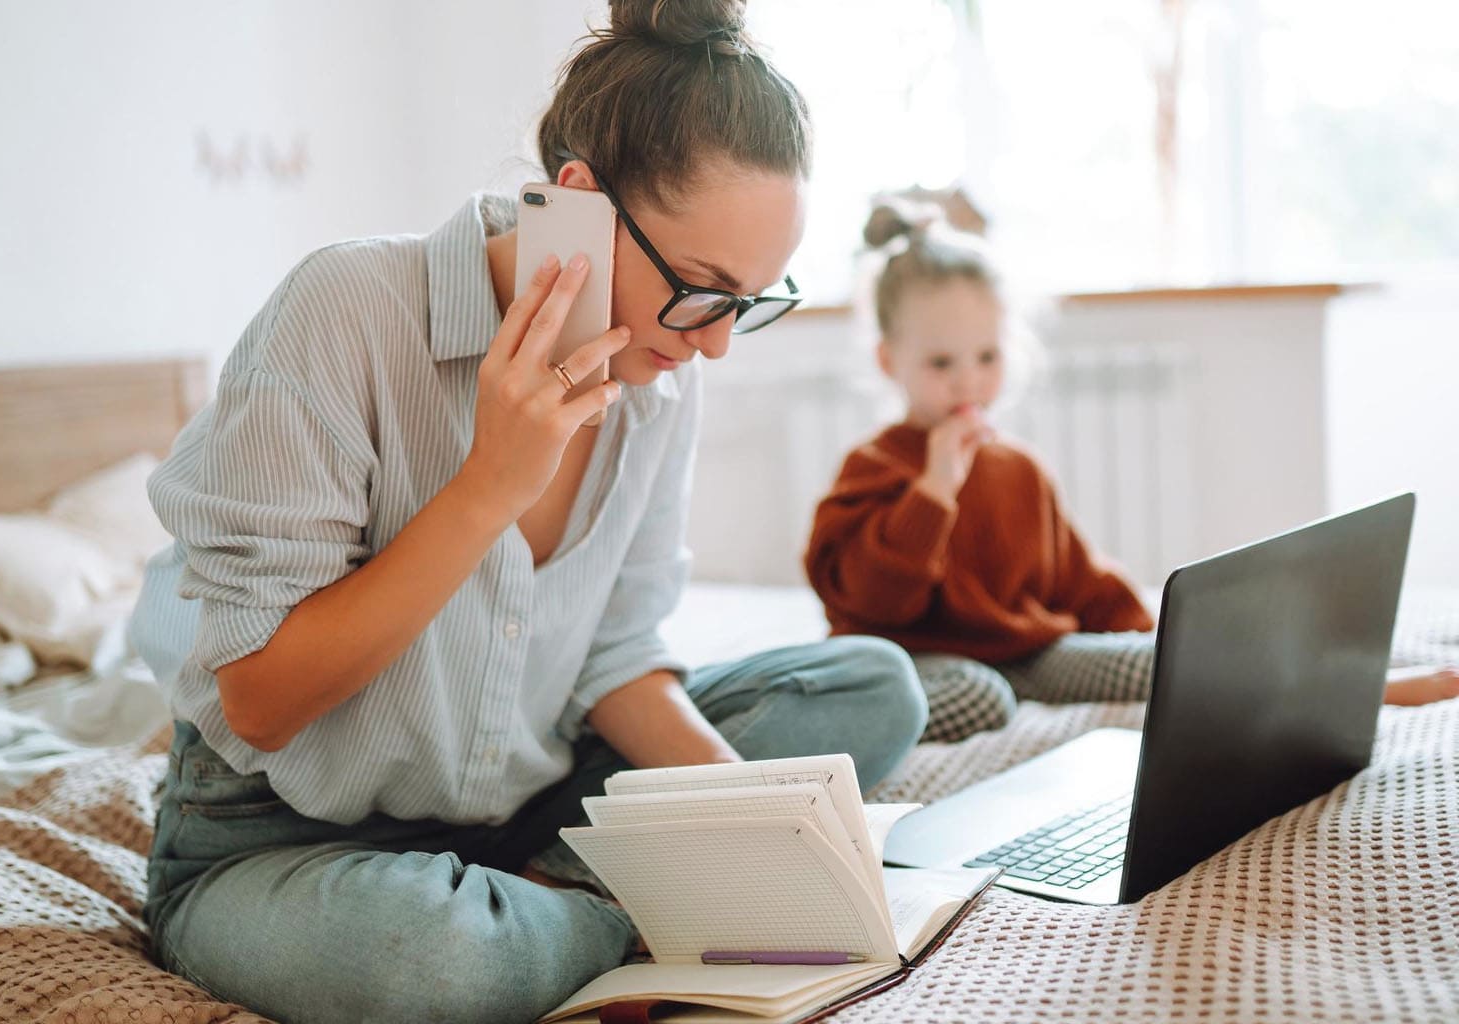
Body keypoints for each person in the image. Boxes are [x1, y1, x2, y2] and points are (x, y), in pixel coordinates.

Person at [129, 4, 926, 1022]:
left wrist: (768, 832)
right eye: (699, 289)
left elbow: (615, 656)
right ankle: (613, 912)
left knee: (873, 687)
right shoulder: (347, 311)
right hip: (285, 837)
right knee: (442, 961)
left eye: (746, 304)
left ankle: (561, 896)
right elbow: (260, 702)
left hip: (521, 801)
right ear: (578, 202)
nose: (715, 344)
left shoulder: (659, 375)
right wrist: (489, 488)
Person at [804, 202, 1459, 744]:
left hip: (1027, 656)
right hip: (920, 661)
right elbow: (874, 603)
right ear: (889, 361)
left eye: (986, 357)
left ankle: (1345, 684)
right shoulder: (874, 467)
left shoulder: (1017, 468)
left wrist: (1158, 637)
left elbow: (1079, 583)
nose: (968, 381)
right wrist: (933, 492)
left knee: (1153, 666)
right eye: (941, 364)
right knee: (979, 699)